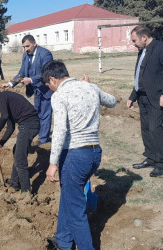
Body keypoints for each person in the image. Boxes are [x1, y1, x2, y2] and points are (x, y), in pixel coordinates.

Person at [43, 60, 116, 250]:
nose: (50, 90)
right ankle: (63, 241)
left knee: (76, 211)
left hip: (74, 156)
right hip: (94, 154)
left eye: (49, 86)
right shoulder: (89, 87)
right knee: (70, 196)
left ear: (53, 79)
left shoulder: (60, 95)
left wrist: (52, 163)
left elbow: (59, 130)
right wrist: (91, 86)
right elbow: (112, 101)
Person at [127, 26, 163, 177]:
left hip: (157, 97)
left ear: (144, 37)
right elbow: (140, 76)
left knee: (155, 128)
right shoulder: (142, 50)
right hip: (142, 96)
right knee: (145, 128)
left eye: (134, 40)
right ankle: (150, 157)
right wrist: (132, 96)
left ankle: (161, 164)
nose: (133, 44)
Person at [0, 85, 39, 193]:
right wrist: (0, 145)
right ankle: (14, 182)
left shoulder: (1, 96)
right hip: (28, 125)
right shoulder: (7, 101)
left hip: (29, 124)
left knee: (20, 160)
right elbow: (10, 127)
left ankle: (26, 192)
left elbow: (4, 116)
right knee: (16, 150)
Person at [2, 35, 53, 146]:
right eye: (24, 47)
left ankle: (43, 140)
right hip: (36, 90)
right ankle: (40, 135)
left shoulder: (46, 54)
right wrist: (11, 83)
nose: (25, 49)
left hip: (46, 89)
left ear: (34, 43)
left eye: (27, 46)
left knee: (45, 113)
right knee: (38, 112)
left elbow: (46, 73)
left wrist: (31, 79)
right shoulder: (26, 56)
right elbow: (22, 72)